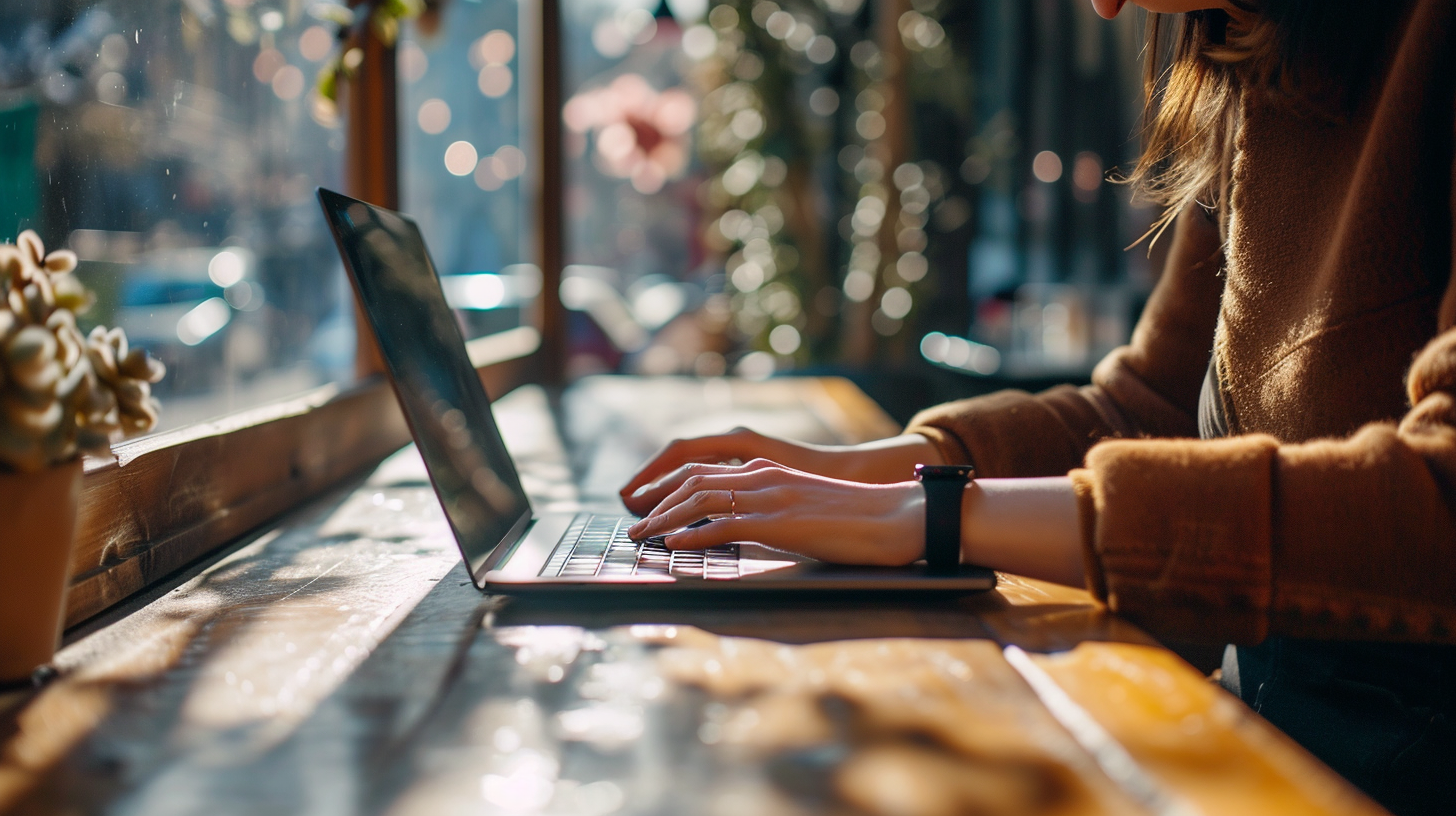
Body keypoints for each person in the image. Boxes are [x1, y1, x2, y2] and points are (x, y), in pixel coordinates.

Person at [621, 0, 1456, 812]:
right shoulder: (1253, 46)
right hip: (1263, 734)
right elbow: (1150, 405)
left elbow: (1440, 500)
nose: (1103, 10)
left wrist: (935, 515)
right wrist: (851, 475)